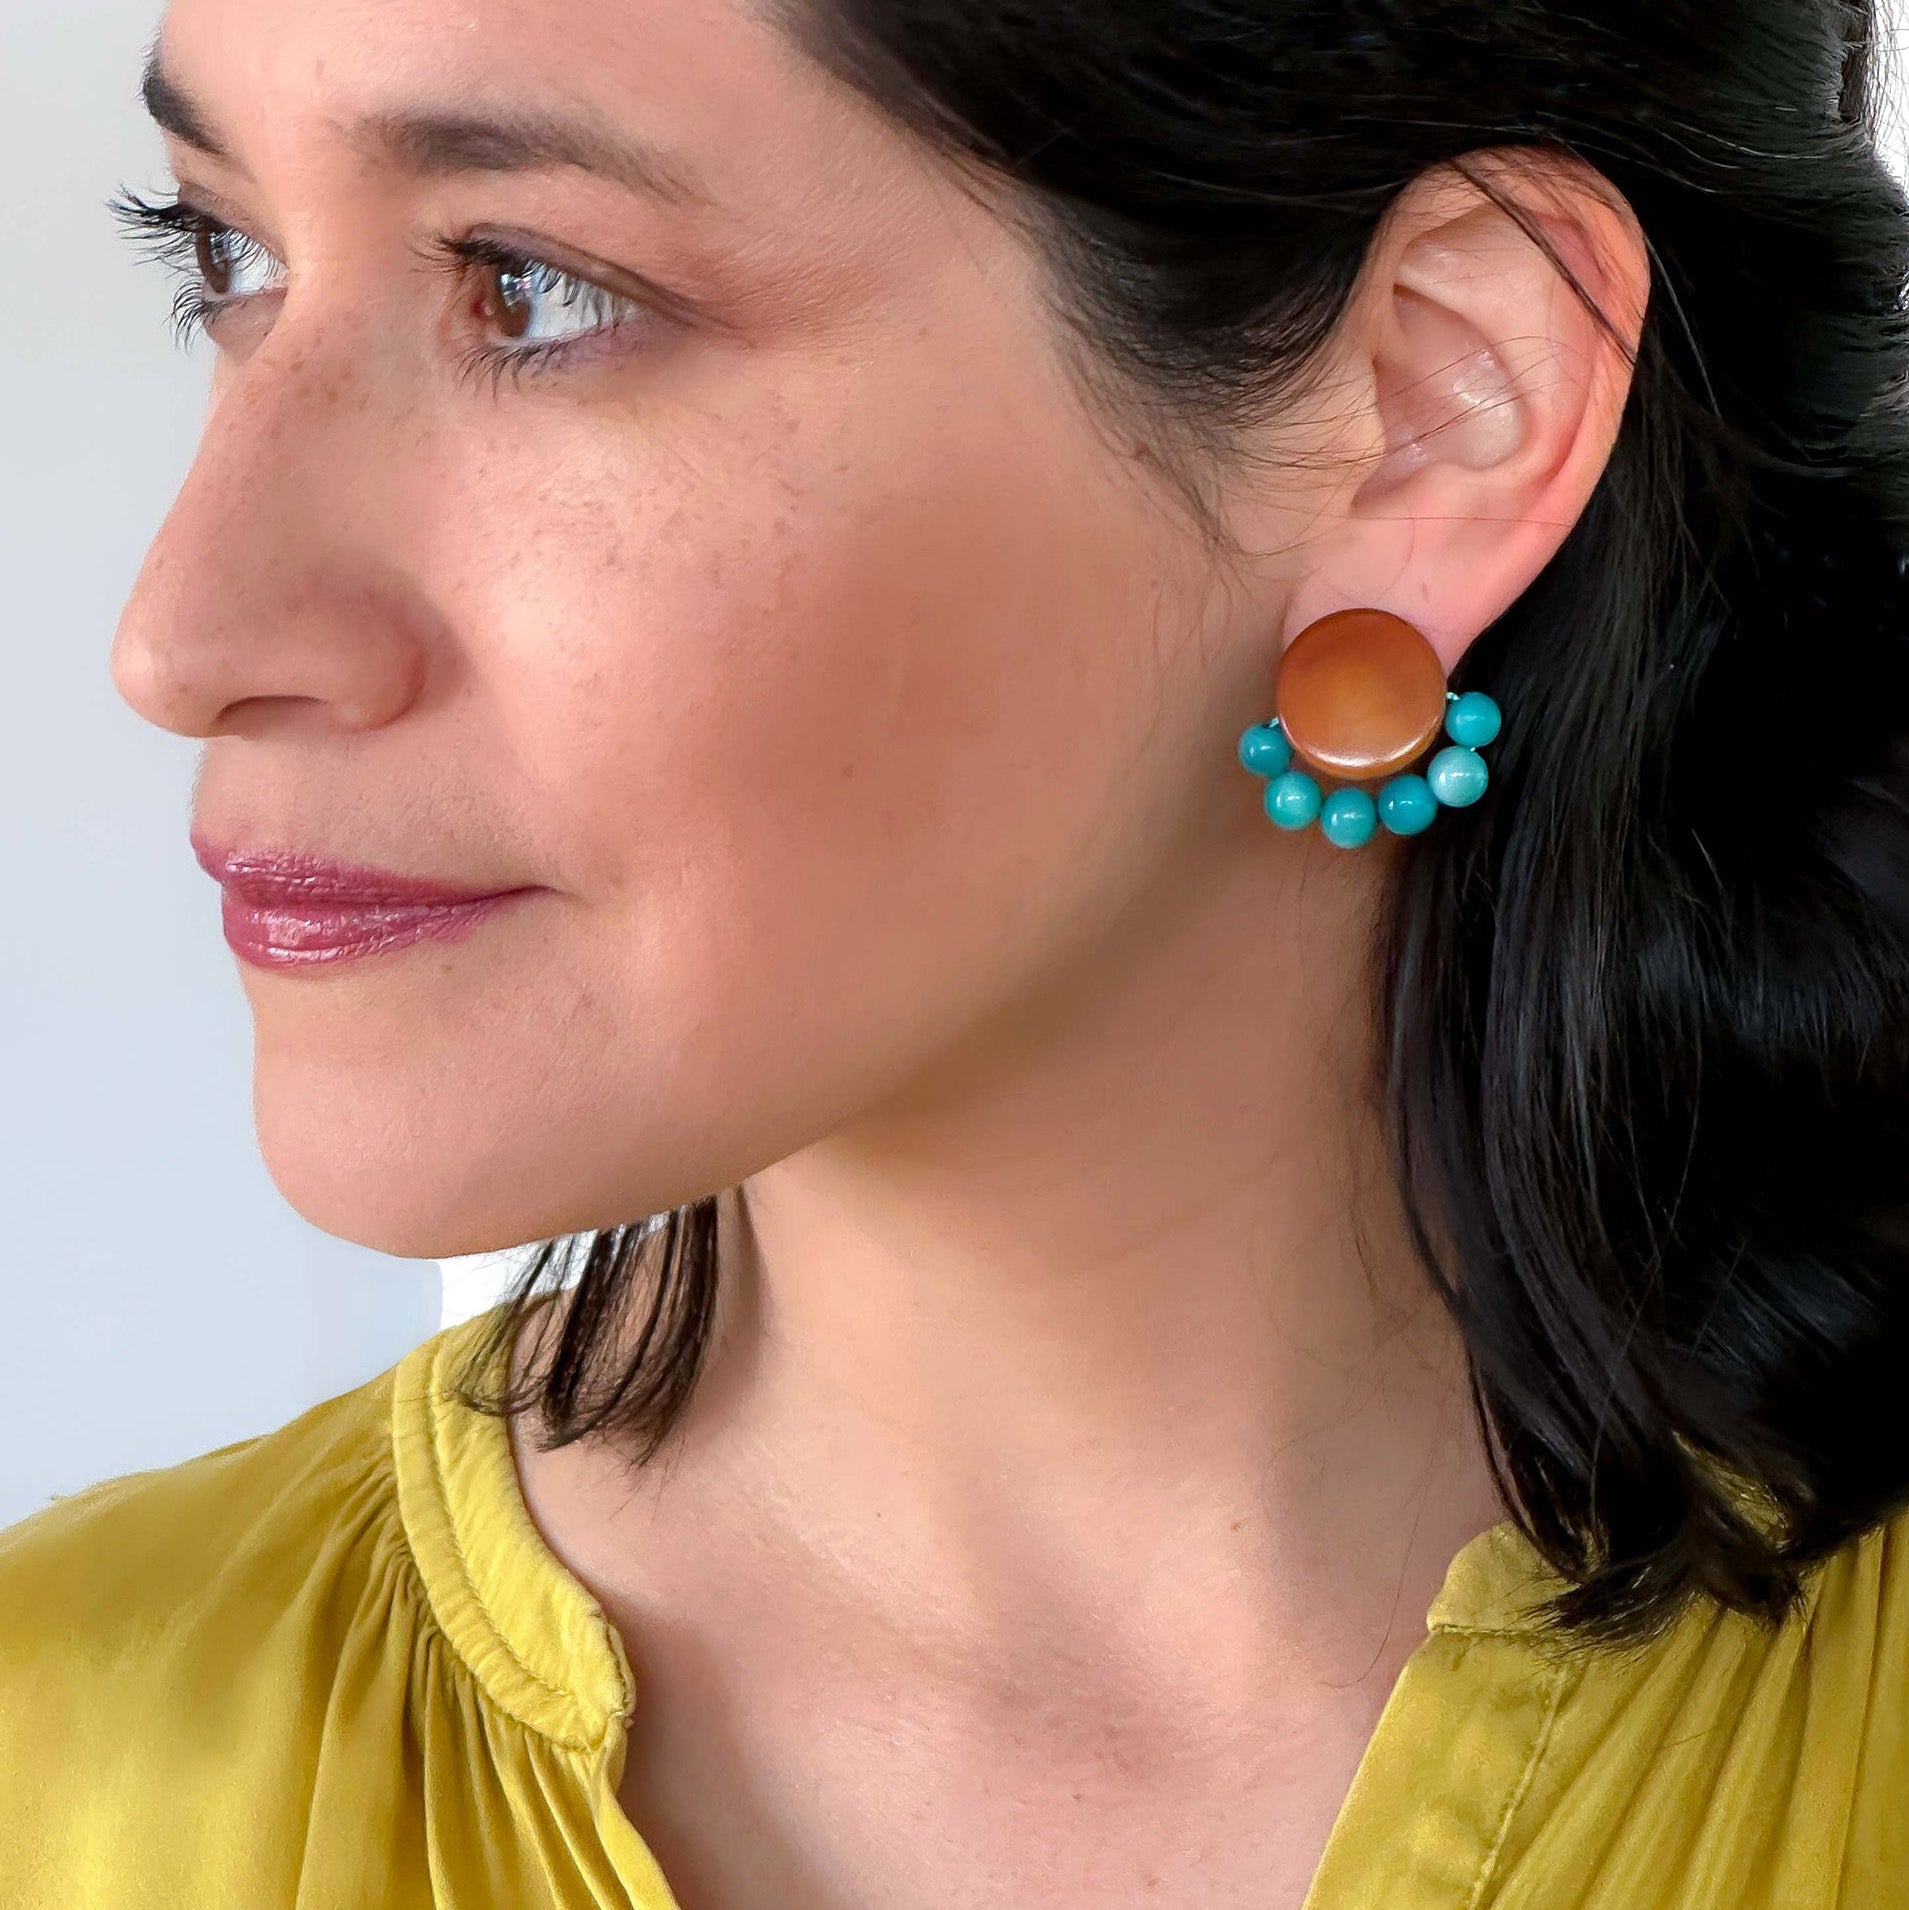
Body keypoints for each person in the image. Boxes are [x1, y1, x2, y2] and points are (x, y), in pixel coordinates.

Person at [6, 0, 1909, 1902]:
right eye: (225, 254)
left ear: (1432, 409)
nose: (181, 632)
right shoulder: (62, 1768)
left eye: (532, 287)